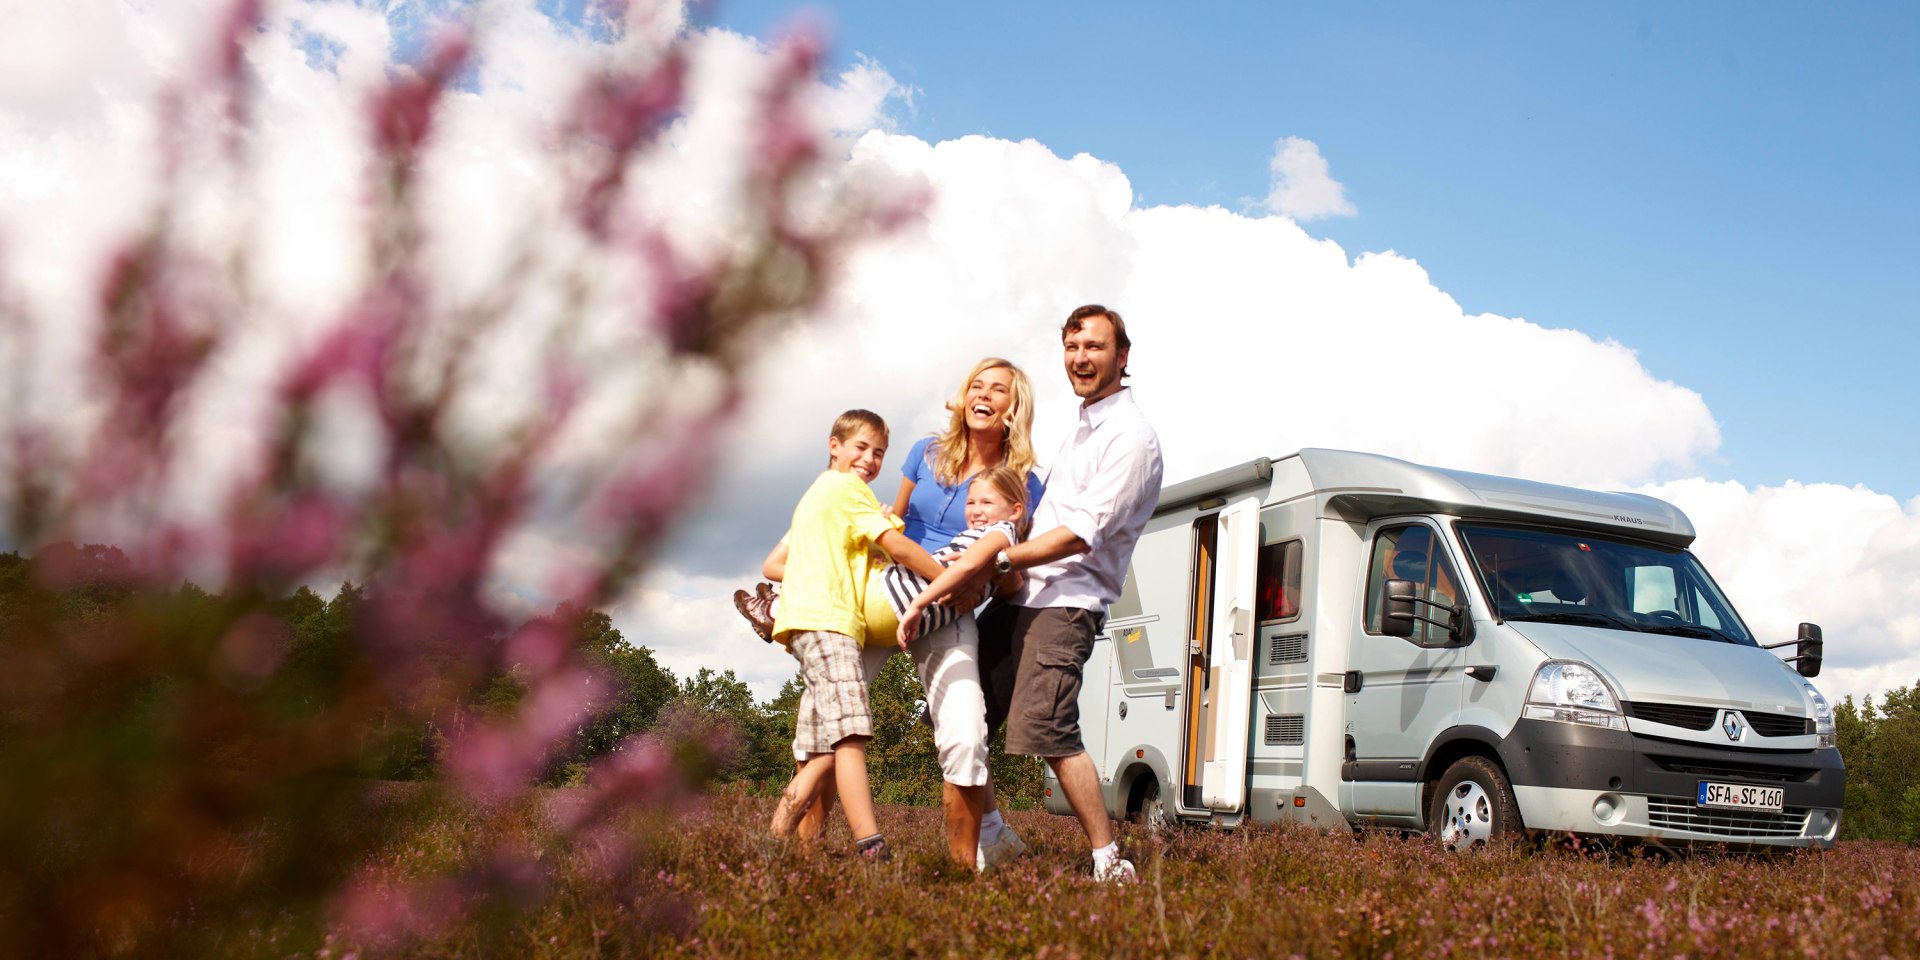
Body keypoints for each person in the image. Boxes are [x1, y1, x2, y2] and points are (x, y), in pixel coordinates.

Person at [738, 358, 1044, 869]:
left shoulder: (1025, 484)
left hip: (947, 613)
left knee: (966, 733)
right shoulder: (924, 453)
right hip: (885, 593)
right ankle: (805, 856)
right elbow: (893, 525)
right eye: (977, 385)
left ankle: (960, 873)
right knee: (822, 727)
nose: (984, 395)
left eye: (999, 390)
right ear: (965, 395)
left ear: (1015, 409)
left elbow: (1013, 570)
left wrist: (979, 580)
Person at [914, 305, 1162, 883]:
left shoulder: (1131, 438)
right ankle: (994, 833)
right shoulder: (1083, 426)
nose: (1081, 358)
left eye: (1095, 347)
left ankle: (1108, 860)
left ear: (1122, 357)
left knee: (1048, 730)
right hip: (1021, 596)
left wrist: (997, 557)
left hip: (1066, 603)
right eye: (1073, 347)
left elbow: (1080, 534)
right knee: (955, 712)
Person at [764, 409, 943, 861]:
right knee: (850, 735)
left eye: (879, 452)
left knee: (820, 742)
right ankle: (870, 842)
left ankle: (787, 843)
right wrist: (948, 581)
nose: (870, 459)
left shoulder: (815, 497)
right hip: (832, 622)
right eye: (861, 447)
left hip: (803, 624)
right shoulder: (848, 489)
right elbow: (898, 547)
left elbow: (773, 565)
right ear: (834, 445)